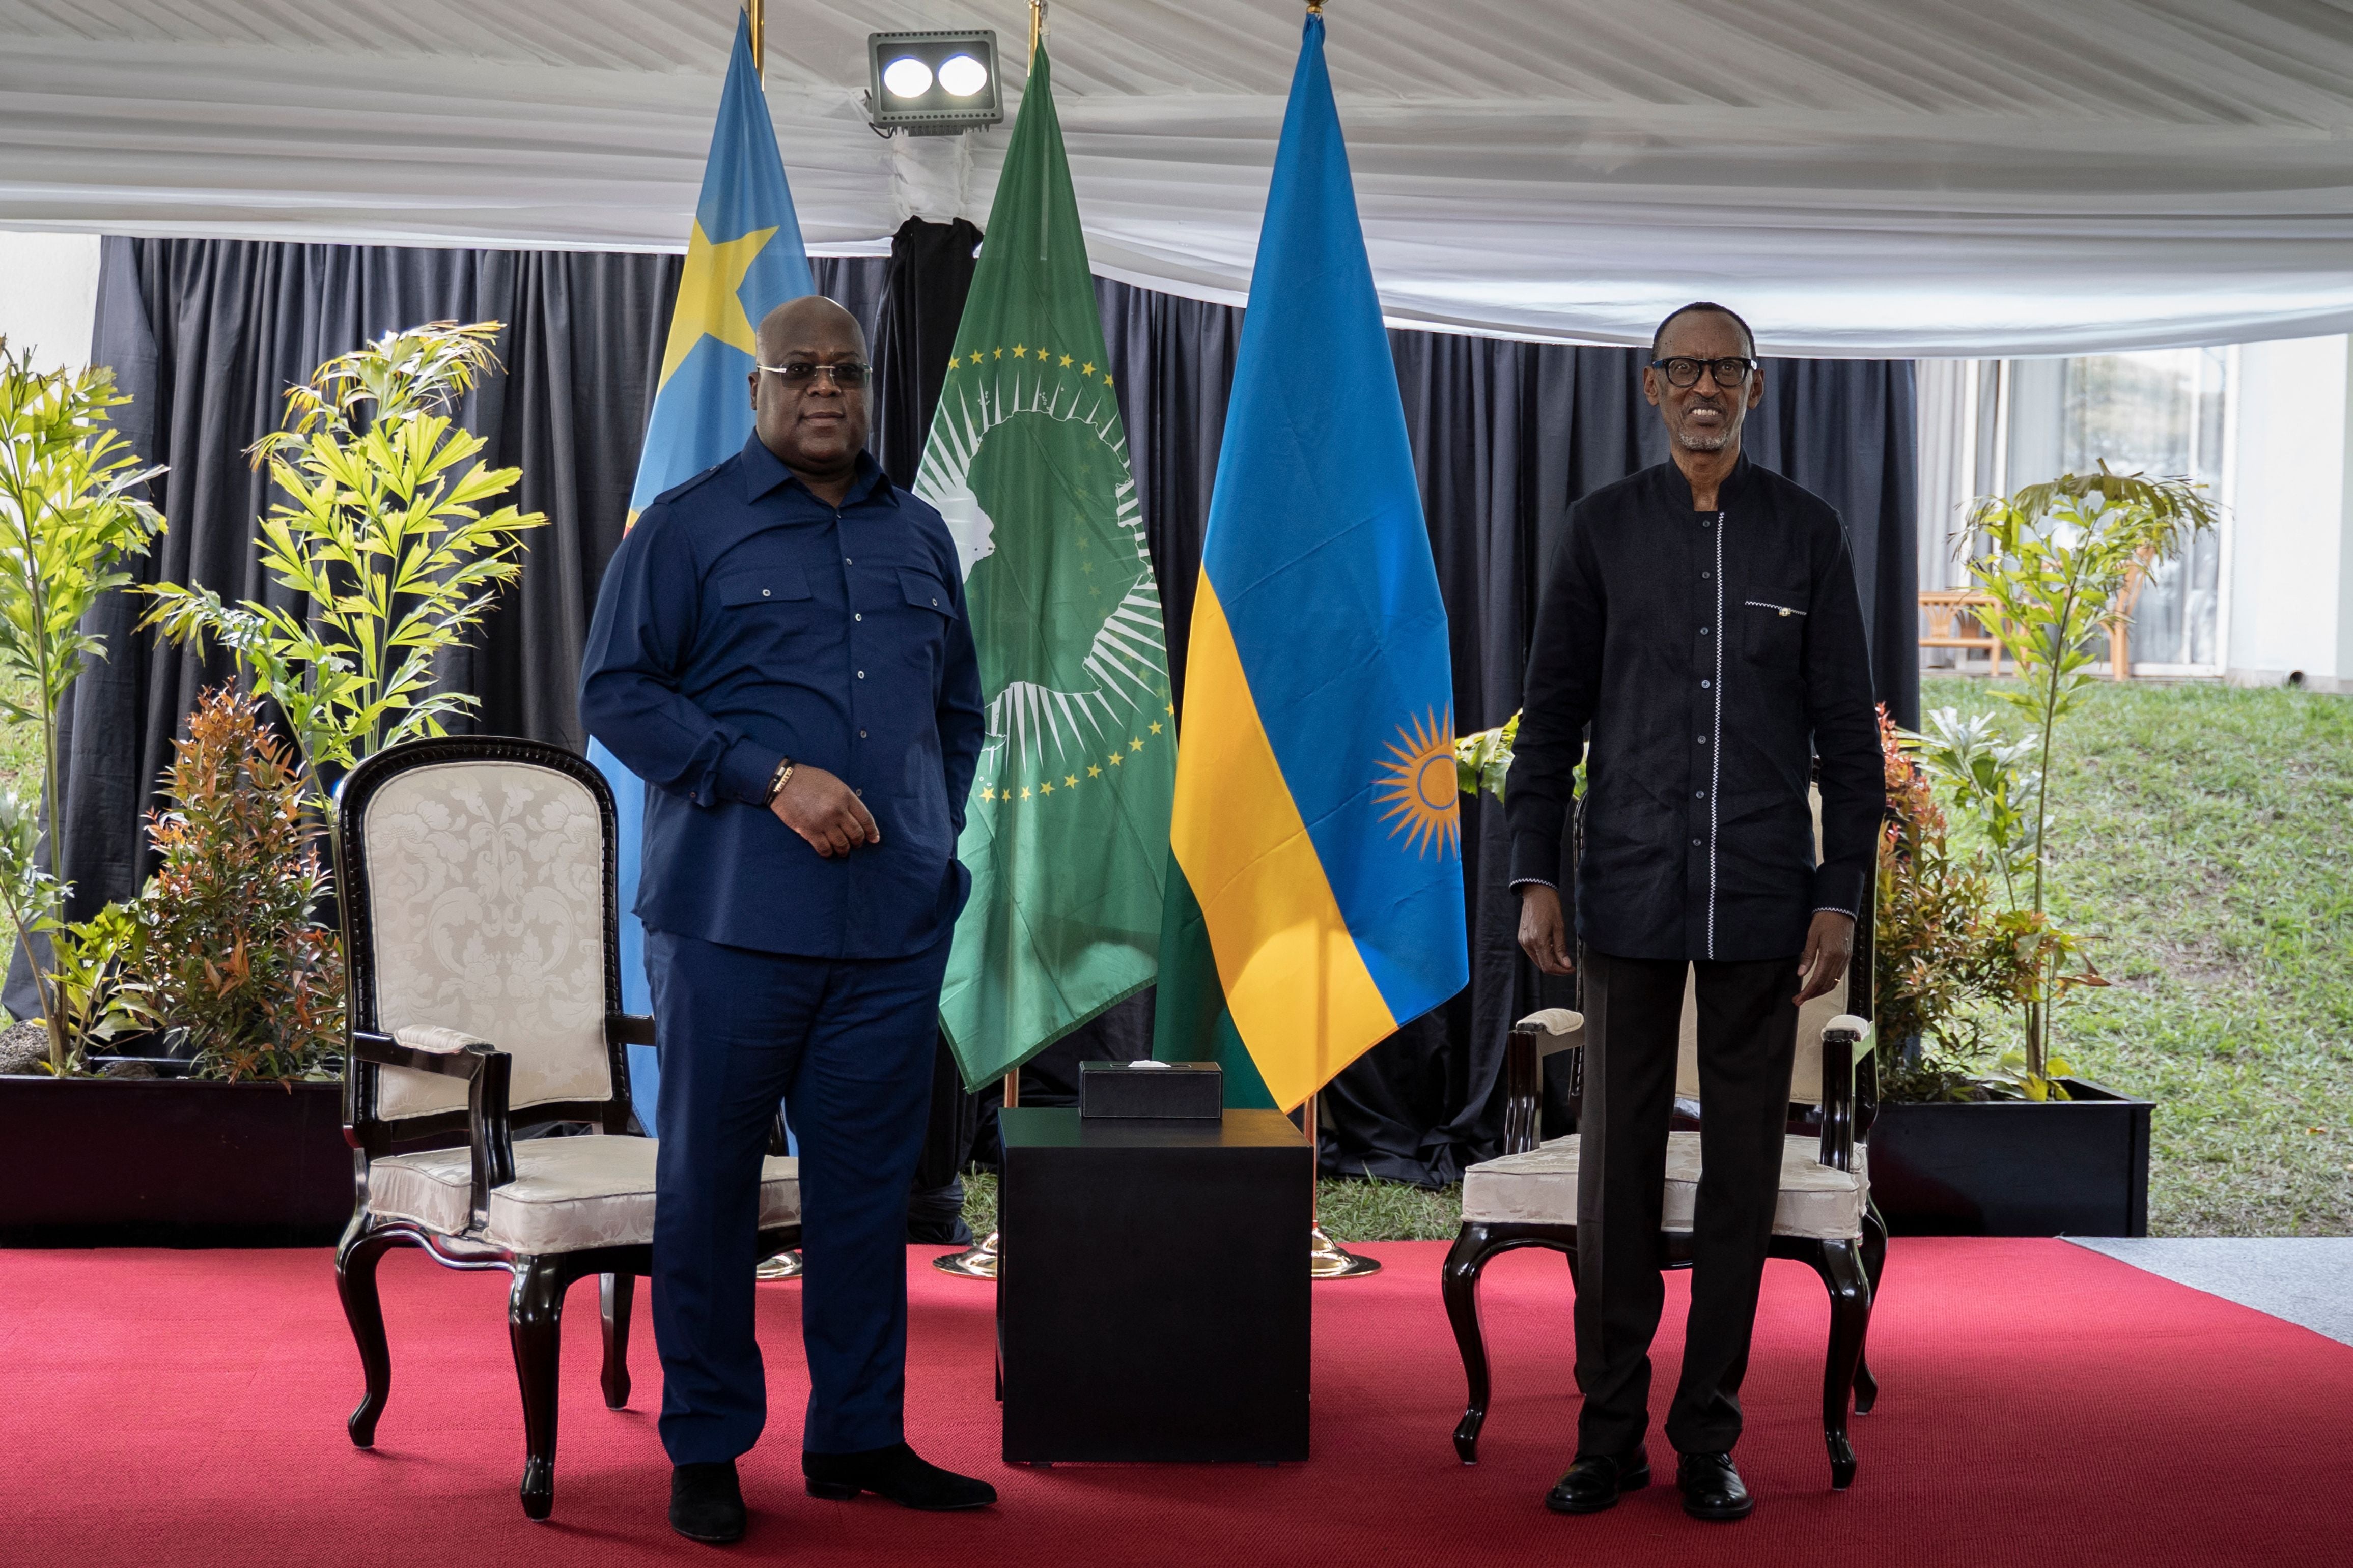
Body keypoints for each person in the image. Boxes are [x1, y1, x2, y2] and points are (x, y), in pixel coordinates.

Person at [580, 295, 992, 1546]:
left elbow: (956, 713)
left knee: (868, 1197)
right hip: (729, 928)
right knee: (708, 1192)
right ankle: (707, 1446)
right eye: (800, 370)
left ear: (871, 389)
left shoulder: (918, 534)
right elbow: (616, 693)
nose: (827, 391)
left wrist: (928, 836)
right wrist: (765, 777)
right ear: (757, 389)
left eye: (848, 372)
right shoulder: (686, 528)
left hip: (887, 934)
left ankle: (858, 1433)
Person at [1505, 302, 1880, 1523]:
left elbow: (1848, 742)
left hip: (1767, 904)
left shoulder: (1807, 534)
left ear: (1756, 391)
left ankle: (1706, 1434)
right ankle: (1605, 1433)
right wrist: (1537, 872)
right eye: (1684, 368)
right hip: (1623, 891)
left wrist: (1839, 895)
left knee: (1737, 1179)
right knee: (1612, 1177)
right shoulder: (1601, 530)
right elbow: (1549, 717)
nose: (1704, 386)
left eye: (1726, 368)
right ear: (1650, 387)